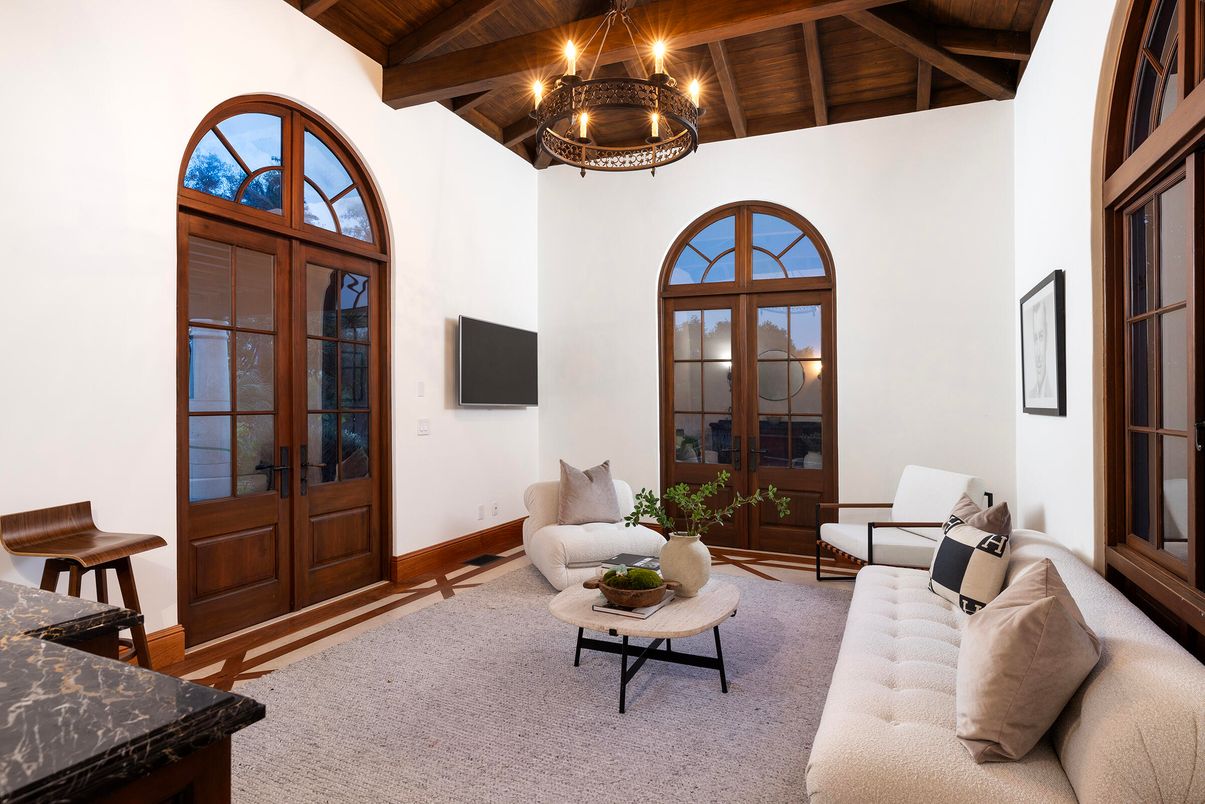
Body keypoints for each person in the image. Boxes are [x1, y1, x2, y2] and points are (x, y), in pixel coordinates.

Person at [1029, 297, 1053, 399]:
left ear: (1047, 337)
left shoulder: (1052, 394)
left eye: (1041, 337)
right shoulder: (1030, 395)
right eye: (1035, 338)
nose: (1038, 354)